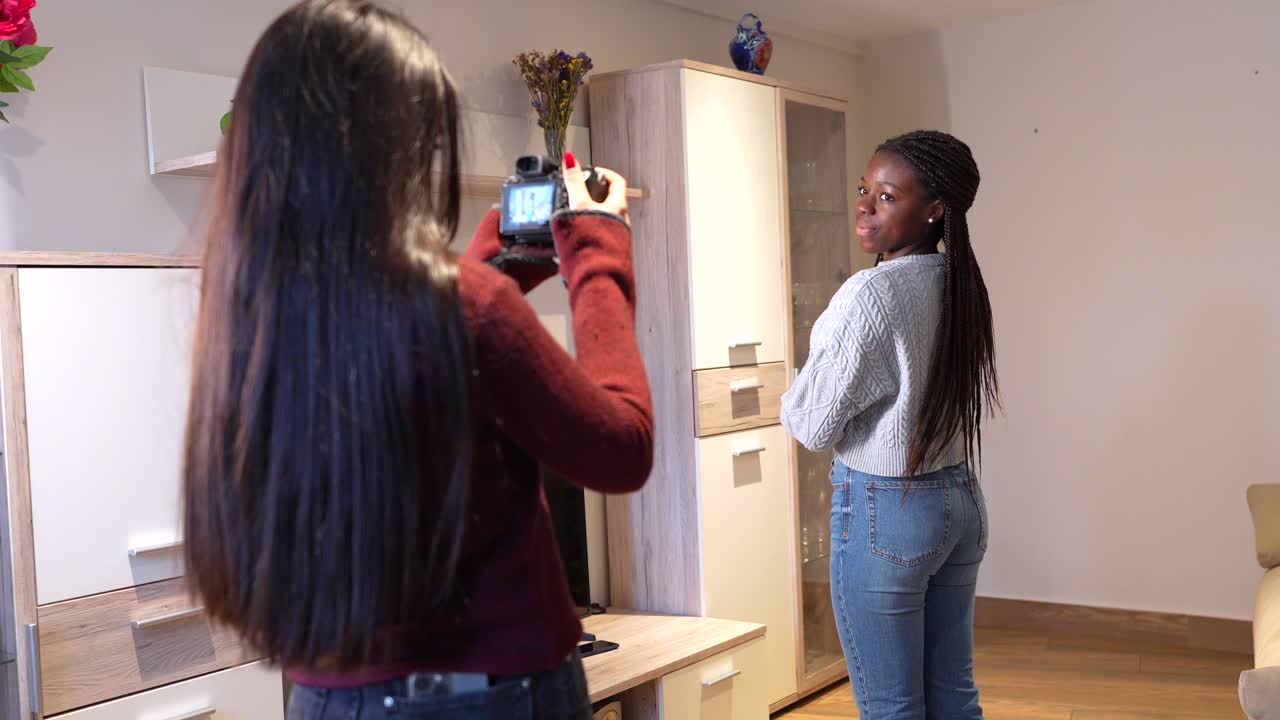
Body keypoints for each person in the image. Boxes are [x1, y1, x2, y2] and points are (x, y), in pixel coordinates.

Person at [180, 1, 653, 718]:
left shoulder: (252, 310)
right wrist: (599, 255)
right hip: (496, 697)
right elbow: (621, 449)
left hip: (329, 699)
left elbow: (411, 363)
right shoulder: (472, 311)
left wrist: (483, 269)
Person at [780, 130, 998, 719]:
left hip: (888, 515)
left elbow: (810, 422)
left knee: (891, 709)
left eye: (886, 196)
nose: (864, 205)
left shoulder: (870, 293)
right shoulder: (961, 286)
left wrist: (815, 350)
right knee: (954, 697)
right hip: (960, 504)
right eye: (863, 190)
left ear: (933, 211)